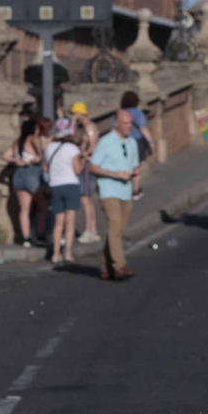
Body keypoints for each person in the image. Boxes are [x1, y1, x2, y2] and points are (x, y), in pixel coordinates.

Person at [88, 108, 141, 280]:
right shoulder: (105, 142)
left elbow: (135, 166)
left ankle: (106, 267)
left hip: (126, 191)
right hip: (109, 189)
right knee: (115, 224)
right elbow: (92, 166)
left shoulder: (132, 142)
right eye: (125, 123)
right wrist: (115, 174)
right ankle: (120, 267)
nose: (129, 126)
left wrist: (135, 185)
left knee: (117, 231)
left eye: (130, 123)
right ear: (116, 124)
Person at [42, 118, 83, 266]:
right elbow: (77, 170)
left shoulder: (49, 148)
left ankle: (55, 254)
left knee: (58, 222)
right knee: (70, 222)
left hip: (55, 185)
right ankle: (68, 253)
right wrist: (83, 159)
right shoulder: (73, 149)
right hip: (70, 184)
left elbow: (45, 168)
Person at [2, 117, 43, 247]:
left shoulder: (17, 142)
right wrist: (36, 158)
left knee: (24, 209)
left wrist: (16, 161)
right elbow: (41, 155)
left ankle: (26, 238)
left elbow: (5, 156)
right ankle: (41, 232)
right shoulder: (33, 139)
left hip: (18, 174)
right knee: (43, 205)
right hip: (32, 173)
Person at [69, 101, 103, 245]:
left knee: (85, 197)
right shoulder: (84, 128)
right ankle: (91, 229)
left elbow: (92, 148)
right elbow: (70, 136)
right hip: (85, 163)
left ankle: (91, 229)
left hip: (87, 164)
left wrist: (82, 154)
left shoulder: (90, 128)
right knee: (85, 198)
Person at [119, 90, 156, 200]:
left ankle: (124, 189)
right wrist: (150, 141)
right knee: (136, 167)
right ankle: (135, 191)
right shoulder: (138, 113)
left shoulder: (119, 113)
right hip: (137, 141)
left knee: (124, 165)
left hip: (123, 141)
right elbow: (143, 128)